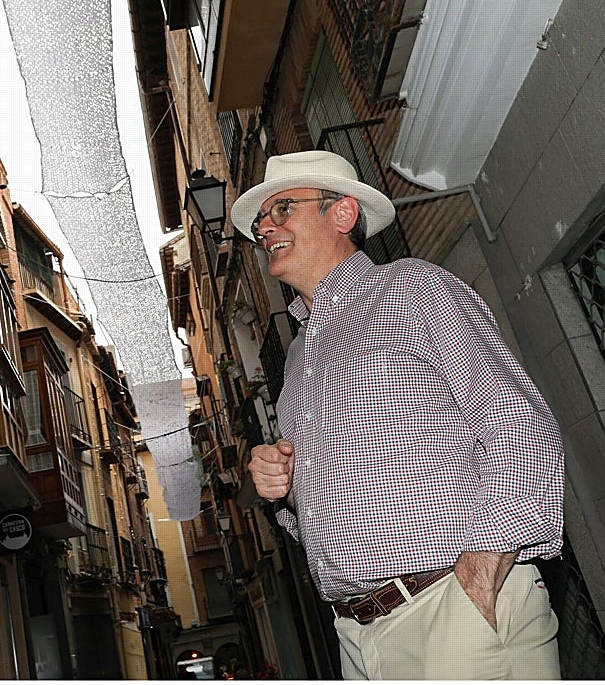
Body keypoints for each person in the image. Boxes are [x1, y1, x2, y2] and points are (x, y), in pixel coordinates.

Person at [232, 150, 564, 680]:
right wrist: (284, 486)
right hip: (358, 637)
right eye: (259, 221)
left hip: (451, 607)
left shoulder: (410, 290)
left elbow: (517, 425)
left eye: (282, 209)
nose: (264, 227)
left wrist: (476, 587)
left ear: (342, 214)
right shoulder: (296, 359)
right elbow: (325, 506)